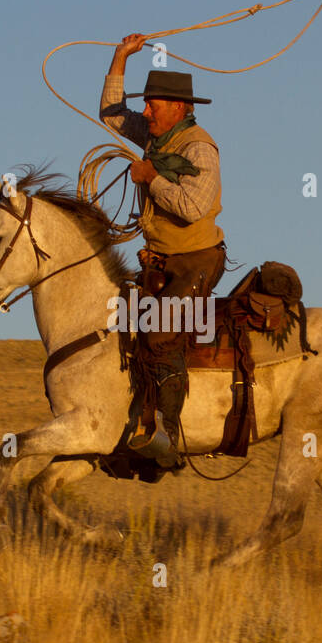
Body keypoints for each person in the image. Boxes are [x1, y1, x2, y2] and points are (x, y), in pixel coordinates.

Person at [100, 33, 227, 467]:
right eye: (147, 103)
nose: (146, 111)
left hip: (197, 259)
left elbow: (194, 207)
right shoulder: (156, 139)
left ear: (180, 108)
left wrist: (149, 177)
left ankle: (169, 436)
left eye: (153, 104)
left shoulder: (199, 148)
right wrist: (120, 59)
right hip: (160, 260)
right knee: (125, 333)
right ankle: (135, 429)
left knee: (160, 331)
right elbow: (113, 116)